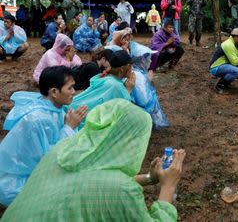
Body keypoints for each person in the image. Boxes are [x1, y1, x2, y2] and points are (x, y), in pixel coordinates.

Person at [2, 99, 185, 221]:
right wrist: (168, 186)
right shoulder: (120, 190)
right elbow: (112, 187)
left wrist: (150, 178)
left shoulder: (63, 150)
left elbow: (91, 182)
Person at [0, 66, 88, 206]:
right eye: (70, 88)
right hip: (16, 184)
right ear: (54, 92)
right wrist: (69, 127)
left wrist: (69, 127)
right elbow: (47, 160)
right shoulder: (39, 120)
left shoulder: (53, 108)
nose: (73, 92)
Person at [68, 50, 136, 129]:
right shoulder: (116, 86)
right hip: (81, 117)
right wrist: (128, 90)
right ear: (121, 70)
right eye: (131, 67)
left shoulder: (106, 77)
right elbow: (122, 107)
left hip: (74, 107)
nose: (132, 70)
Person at [130, 42, 170, 129]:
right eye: (148, 58)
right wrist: (148, 81)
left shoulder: (137, 72)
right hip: (141, 114)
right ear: (141, 60)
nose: (151, 61)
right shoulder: (138, 76)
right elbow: (144, 101)